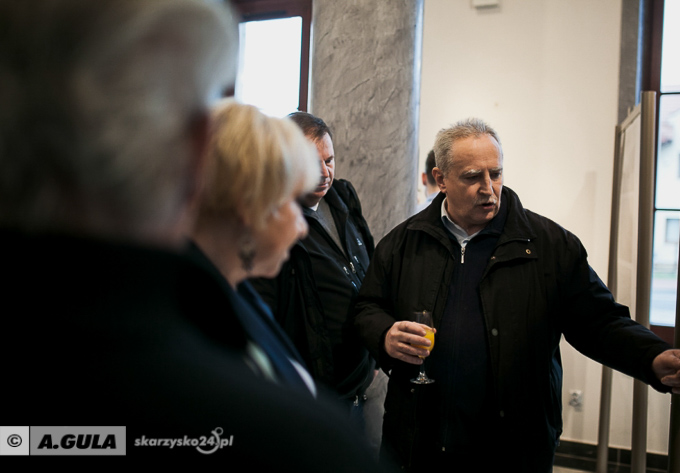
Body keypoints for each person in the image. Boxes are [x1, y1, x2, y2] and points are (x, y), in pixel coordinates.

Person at [0, 1, 389, 469]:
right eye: (285, 199)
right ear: (198, 148)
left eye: (328, 163)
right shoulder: (286, 438)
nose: (300, 221)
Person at [353, 117, 680, 472]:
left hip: (513, 446)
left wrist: (651, 356)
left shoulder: (550, 246)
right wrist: (385, 334)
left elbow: (598, 322)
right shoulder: (404, 242)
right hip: (418, 441)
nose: (488, 188)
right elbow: (367, 306)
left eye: (496, 173)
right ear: (441, 179)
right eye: (472, 177)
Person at [250, 111, 384, 451]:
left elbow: (369, 273)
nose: (325, 173)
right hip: (313, 397)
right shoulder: (277, 225)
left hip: (359, 386)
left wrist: (374, 351)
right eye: (313, 164)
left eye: (330, 160)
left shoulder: (342, 198)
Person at [189, 100, 319, 397]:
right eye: (293, 202)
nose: (302, 228)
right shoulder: (198, 322)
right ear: (250, 205)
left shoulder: (237, 290)